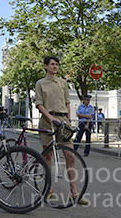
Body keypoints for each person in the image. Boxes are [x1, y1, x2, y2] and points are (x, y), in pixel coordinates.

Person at [35, 56, 89, 205]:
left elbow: (67, 102)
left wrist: (68, 121)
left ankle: (74, 193)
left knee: (70, 156)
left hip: (63, 122)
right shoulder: (40, 83)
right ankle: (49, 190)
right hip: (47, 121)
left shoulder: (63, 83)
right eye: (52, 64)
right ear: (46, 66)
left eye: (57, 64)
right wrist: (50, 118)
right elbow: (39, 104)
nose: (55, 67)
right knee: (48, 157)